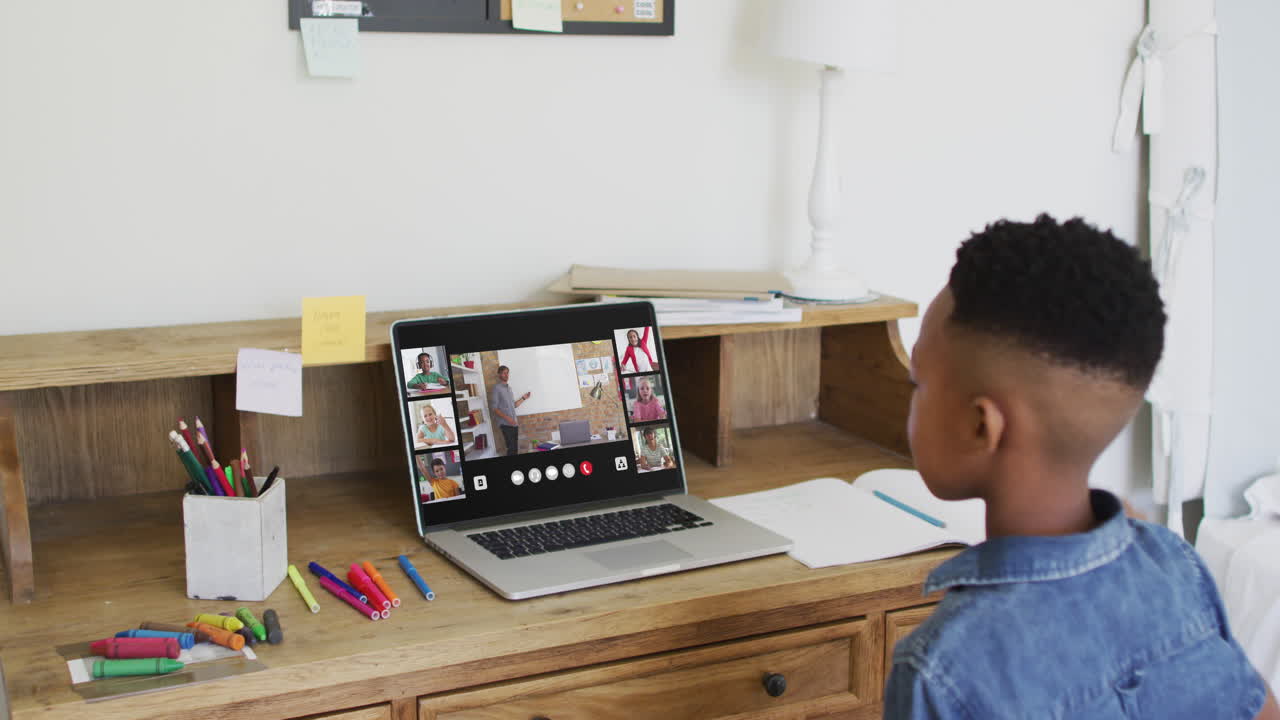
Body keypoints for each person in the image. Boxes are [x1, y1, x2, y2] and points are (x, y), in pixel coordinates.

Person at [884, 215, 1279, 720]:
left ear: (981, 426)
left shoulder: (943, 667)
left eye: (919, 382)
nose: (911, 398)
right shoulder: (1173, 563)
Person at [489, 365, 530, 456]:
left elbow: (513, 405)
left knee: (514, 448)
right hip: (506, 424)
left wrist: (524, 398)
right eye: (504, 373)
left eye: (507, 373)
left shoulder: (509, 388)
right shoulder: (496, 388)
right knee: (511, 449)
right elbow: (494, 408)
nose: (506, 375)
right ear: (499, 374)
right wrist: (508, 419)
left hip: (514, 423)